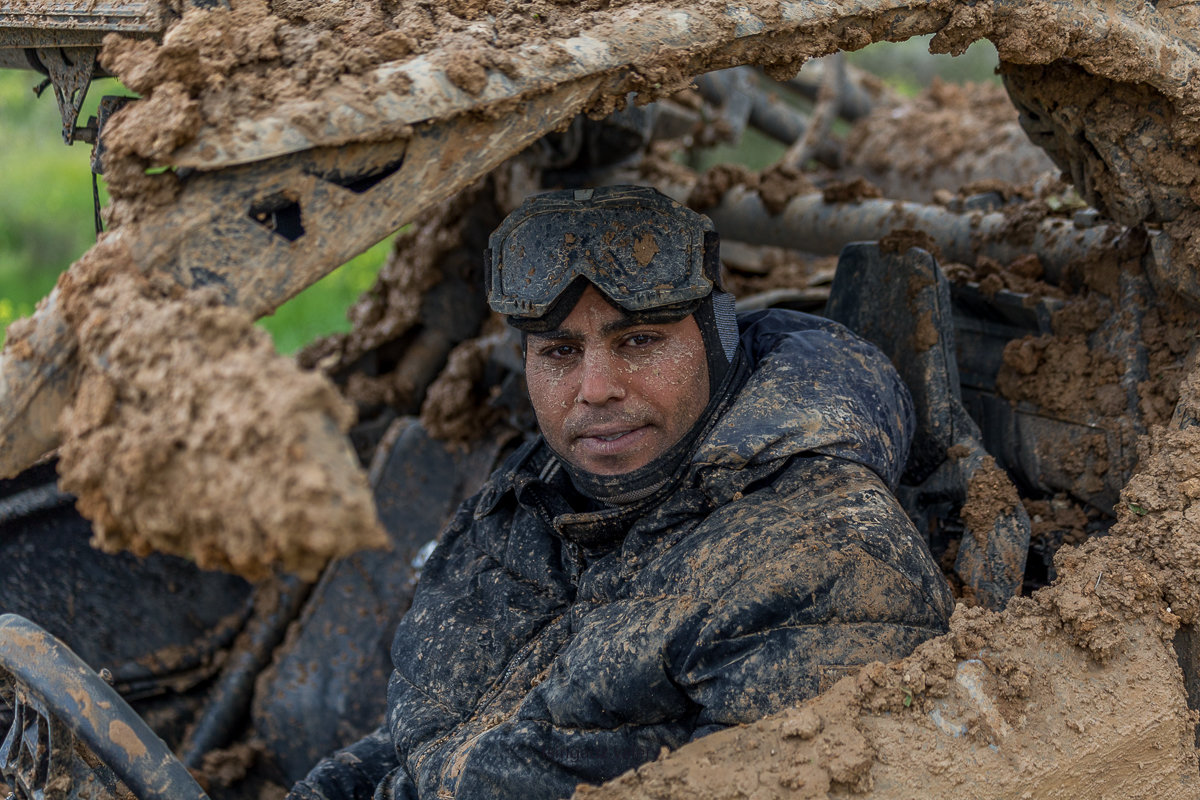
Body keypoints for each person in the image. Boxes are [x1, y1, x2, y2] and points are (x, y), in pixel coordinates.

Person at [289, 185, 953, 800]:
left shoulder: (822, 557)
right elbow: (425, 743)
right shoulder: (532, 504)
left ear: (717, 344)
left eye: (639, 341)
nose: (596, 386)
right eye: (559, 351)